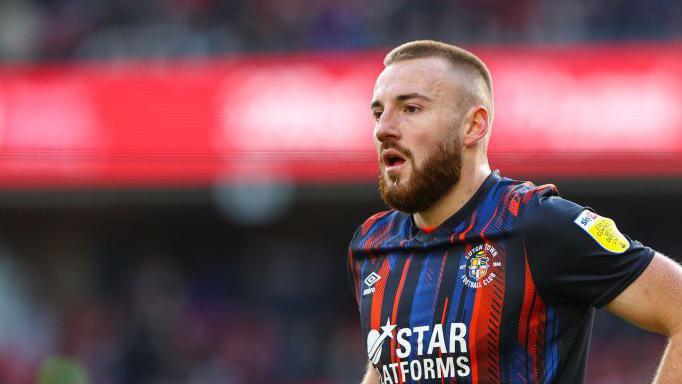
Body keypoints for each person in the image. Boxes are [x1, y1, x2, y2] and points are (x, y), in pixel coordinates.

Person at [346, 40, 682, 384]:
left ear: (473, 126)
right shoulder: (372, 245)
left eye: (411, 109)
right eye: (378, 112)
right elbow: (386, 366)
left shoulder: (538, 225)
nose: (383, 129)